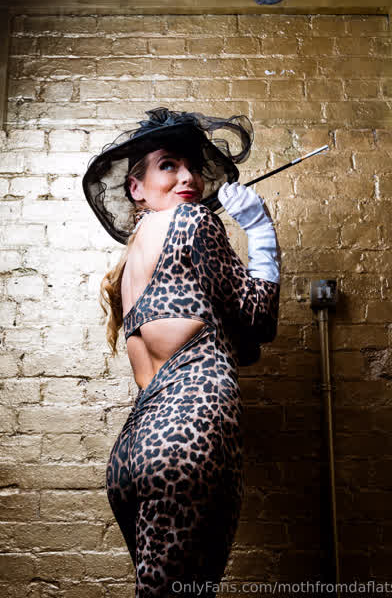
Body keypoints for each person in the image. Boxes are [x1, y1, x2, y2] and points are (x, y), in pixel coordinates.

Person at [82, 107, 281, 597]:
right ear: (136, 187)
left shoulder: (130, 265)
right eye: (168, 164)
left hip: (134, 453)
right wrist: (259, 229)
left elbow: (230, 341)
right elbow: (259, 318)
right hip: (188, 436)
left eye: (191, 166)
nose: (188, 177)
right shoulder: (193, 220)